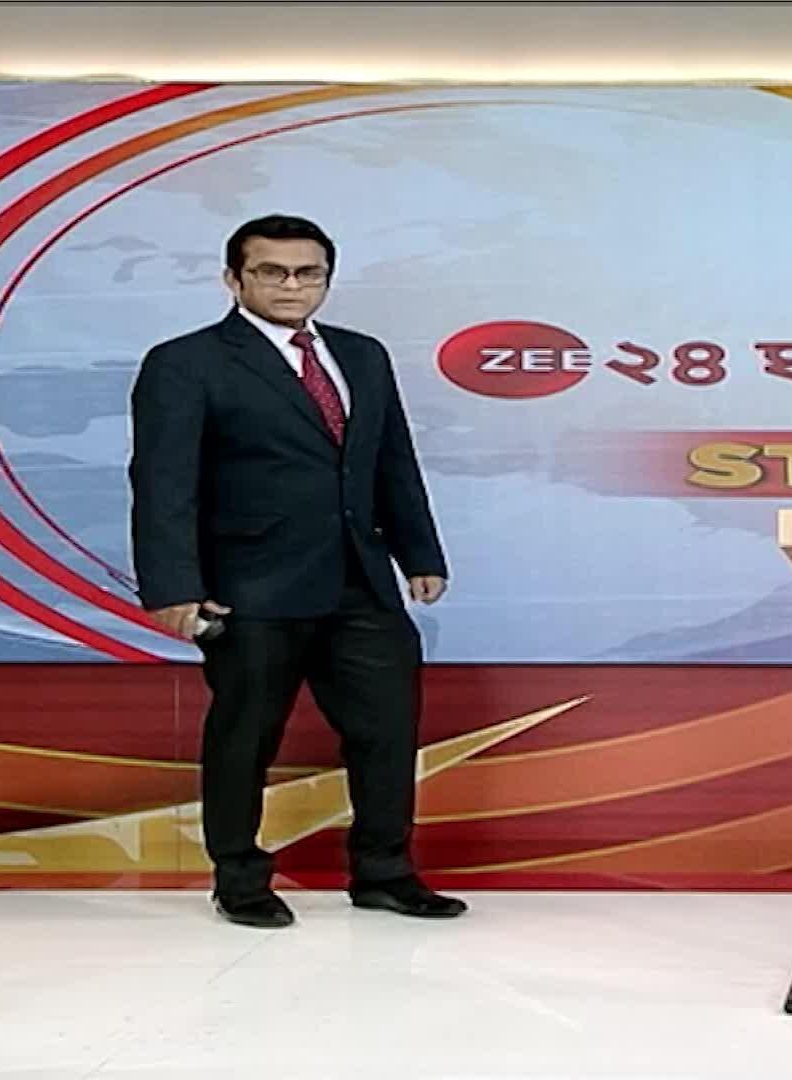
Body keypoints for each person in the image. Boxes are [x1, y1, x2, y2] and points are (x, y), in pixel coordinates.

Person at [128, 214, 466, 928]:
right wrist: (174, 589)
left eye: (307, 272)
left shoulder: (362, 356)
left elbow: (392, 460)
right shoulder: (185, 362)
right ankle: (240, 880)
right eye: (271, 271)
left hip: (360, 581)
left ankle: (384, 873)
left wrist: (419, 553)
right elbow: (162, 483)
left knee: (386, 731)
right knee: (245, 737)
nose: (291, 285)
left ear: (326, 279)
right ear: (234, 279)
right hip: (249, 587)